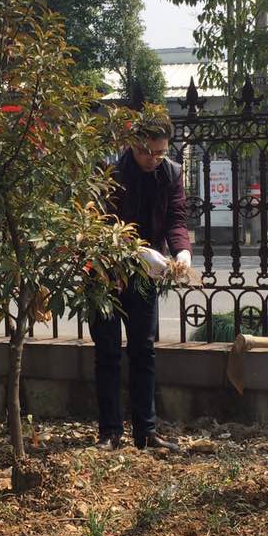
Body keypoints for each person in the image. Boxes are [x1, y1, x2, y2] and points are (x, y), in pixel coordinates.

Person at [90, 110, 192, 452]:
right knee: (107, 352)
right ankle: (109, 433)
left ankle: (146, 433)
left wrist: (181, 252)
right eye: (147, 152)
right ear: (133, 144)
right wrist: (135, 250)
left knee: (143, 350)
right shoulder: (109, 171)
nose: (153, 159)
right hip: (104, 273)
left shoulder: (171, 173)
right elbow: (98, 224)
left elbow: (176, 219)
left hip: (145, 275)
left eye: (161, 152)